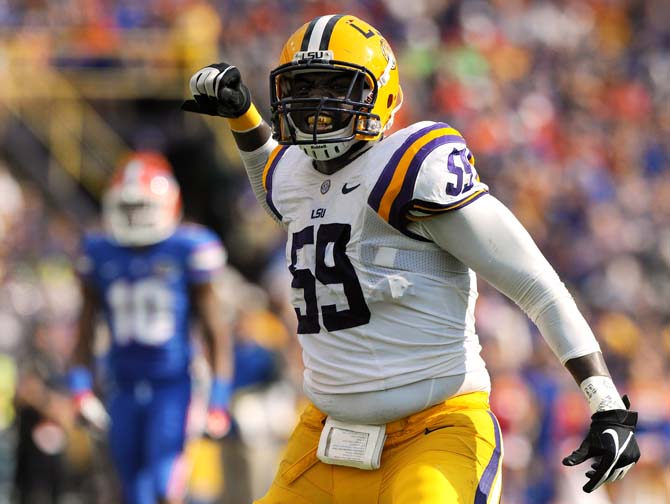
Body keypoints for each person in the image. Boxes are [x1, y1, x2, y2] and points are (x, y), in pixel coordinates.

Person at [182, 14, 640, 503]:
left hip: (434, 433)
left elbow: (536, 284)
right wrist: (243, 117)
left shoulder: (411, 167)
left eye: (335, 88)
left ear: (379, 95)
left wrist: (606, 403)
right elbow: (273, 183)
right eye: (302, 87)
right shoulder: (294, 171)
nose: (315, 106)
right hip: (324, 436)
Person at [68, 151, 234, 504]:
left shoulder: (186, 249)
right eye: (127, 208)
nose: (134, 217)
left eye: (142, 207)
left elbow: (215, 332)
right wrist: (80, 390)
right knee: (129, 492)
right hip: (121, 386)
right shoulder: (98, 252)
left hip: (173, 386)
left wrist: (218, 401)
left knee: (163, 488)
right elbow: (83, 331)